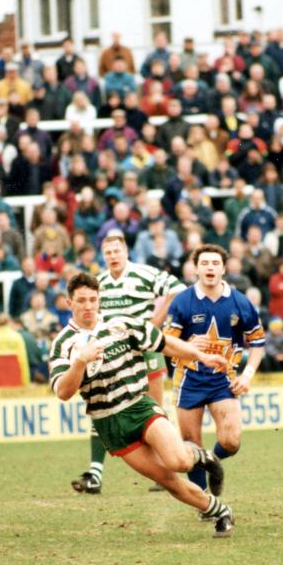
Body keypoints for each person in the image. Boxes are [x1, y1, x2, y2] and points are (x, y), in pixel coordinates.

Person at [50, 272, 234, 537]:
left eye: (93, 299)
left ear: (99, 300)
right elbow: (63, 392)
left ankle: (201, 456)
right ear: (70, 304)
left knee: (179, 462)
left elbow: (163, 343)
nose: (88, 306)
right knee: (167, 481)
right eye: (81, 301)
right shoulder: (62, 345)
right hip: (109, 423)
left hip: (139, 406)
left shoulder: (121, 323)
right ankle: (219, 511)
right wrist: (80, 361)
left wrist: (200, 356)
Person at [69, 230, 186, 494]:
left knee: (153, 410)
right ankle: (95, 473)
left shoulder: (143, 273)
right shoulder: (99, 282)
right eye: (108, 252)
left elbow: (177, 289)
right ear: (103, 256)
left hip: (145, 349)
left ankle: (164, 469)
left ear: (126, 252)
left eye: (116, 251)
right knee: (103, 405)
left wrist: (155, 322)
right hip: (114, 353)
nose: (112, 256)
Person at [165, 245, 265, 507]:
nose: (210, 268)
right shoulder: (183, 301)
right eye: (205, 263)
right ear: (196, 268)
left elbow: (258, 342)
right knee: (190, 447)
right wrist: (188, 346)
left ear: (224, 268)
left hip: (223, 379)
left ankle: (214, 462)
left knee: (231, 441)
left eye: (215, 263)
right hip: (189, 379)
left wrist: (248, 375)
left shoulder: (240, 302)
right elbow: (165, 343)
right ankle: (205, 503)